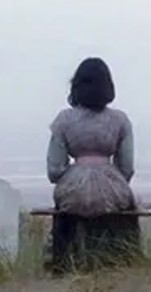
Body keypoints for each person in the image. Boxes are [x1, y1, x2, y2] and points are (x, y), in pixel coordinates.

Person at [45, 57, 140, 273]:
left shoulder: (63, 120)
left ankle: (62, 263)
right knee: (125, 207)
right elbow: (127, 167)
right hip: (112, 188)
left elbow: (54, 170)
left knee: (66, 208)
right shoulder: (120, 120)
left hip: (72, 189)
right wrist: (111, 181)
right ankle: (124, 259)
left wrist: (75, 175)